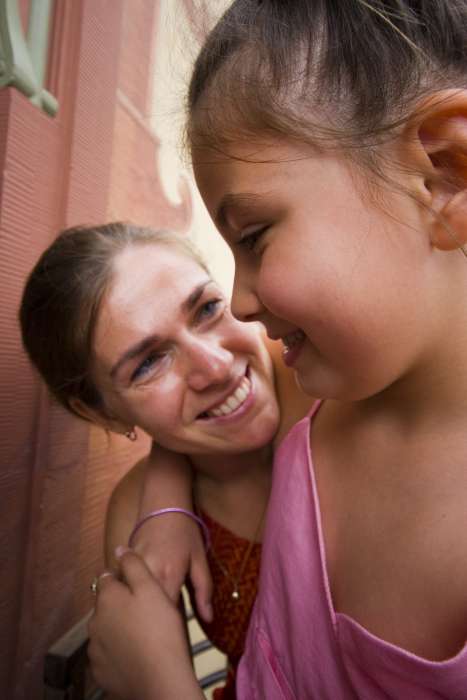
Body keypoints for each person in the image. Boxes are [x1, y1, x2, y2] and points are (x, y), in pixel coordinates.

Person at [65, 1, 467, 699]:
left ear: (442, 169)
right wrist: (164, 492)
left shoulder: (314, 387)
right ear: (102, 408)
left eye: (251, 238)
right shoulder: (332, 402)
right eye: (145, 362)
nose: (241, 308)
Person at [19, 222, 311, 699]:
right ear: (99, 412)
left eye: (208, 308)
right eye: (149, 362)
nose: (215, 366)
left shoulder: (325, 387)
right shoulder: (138, 511)